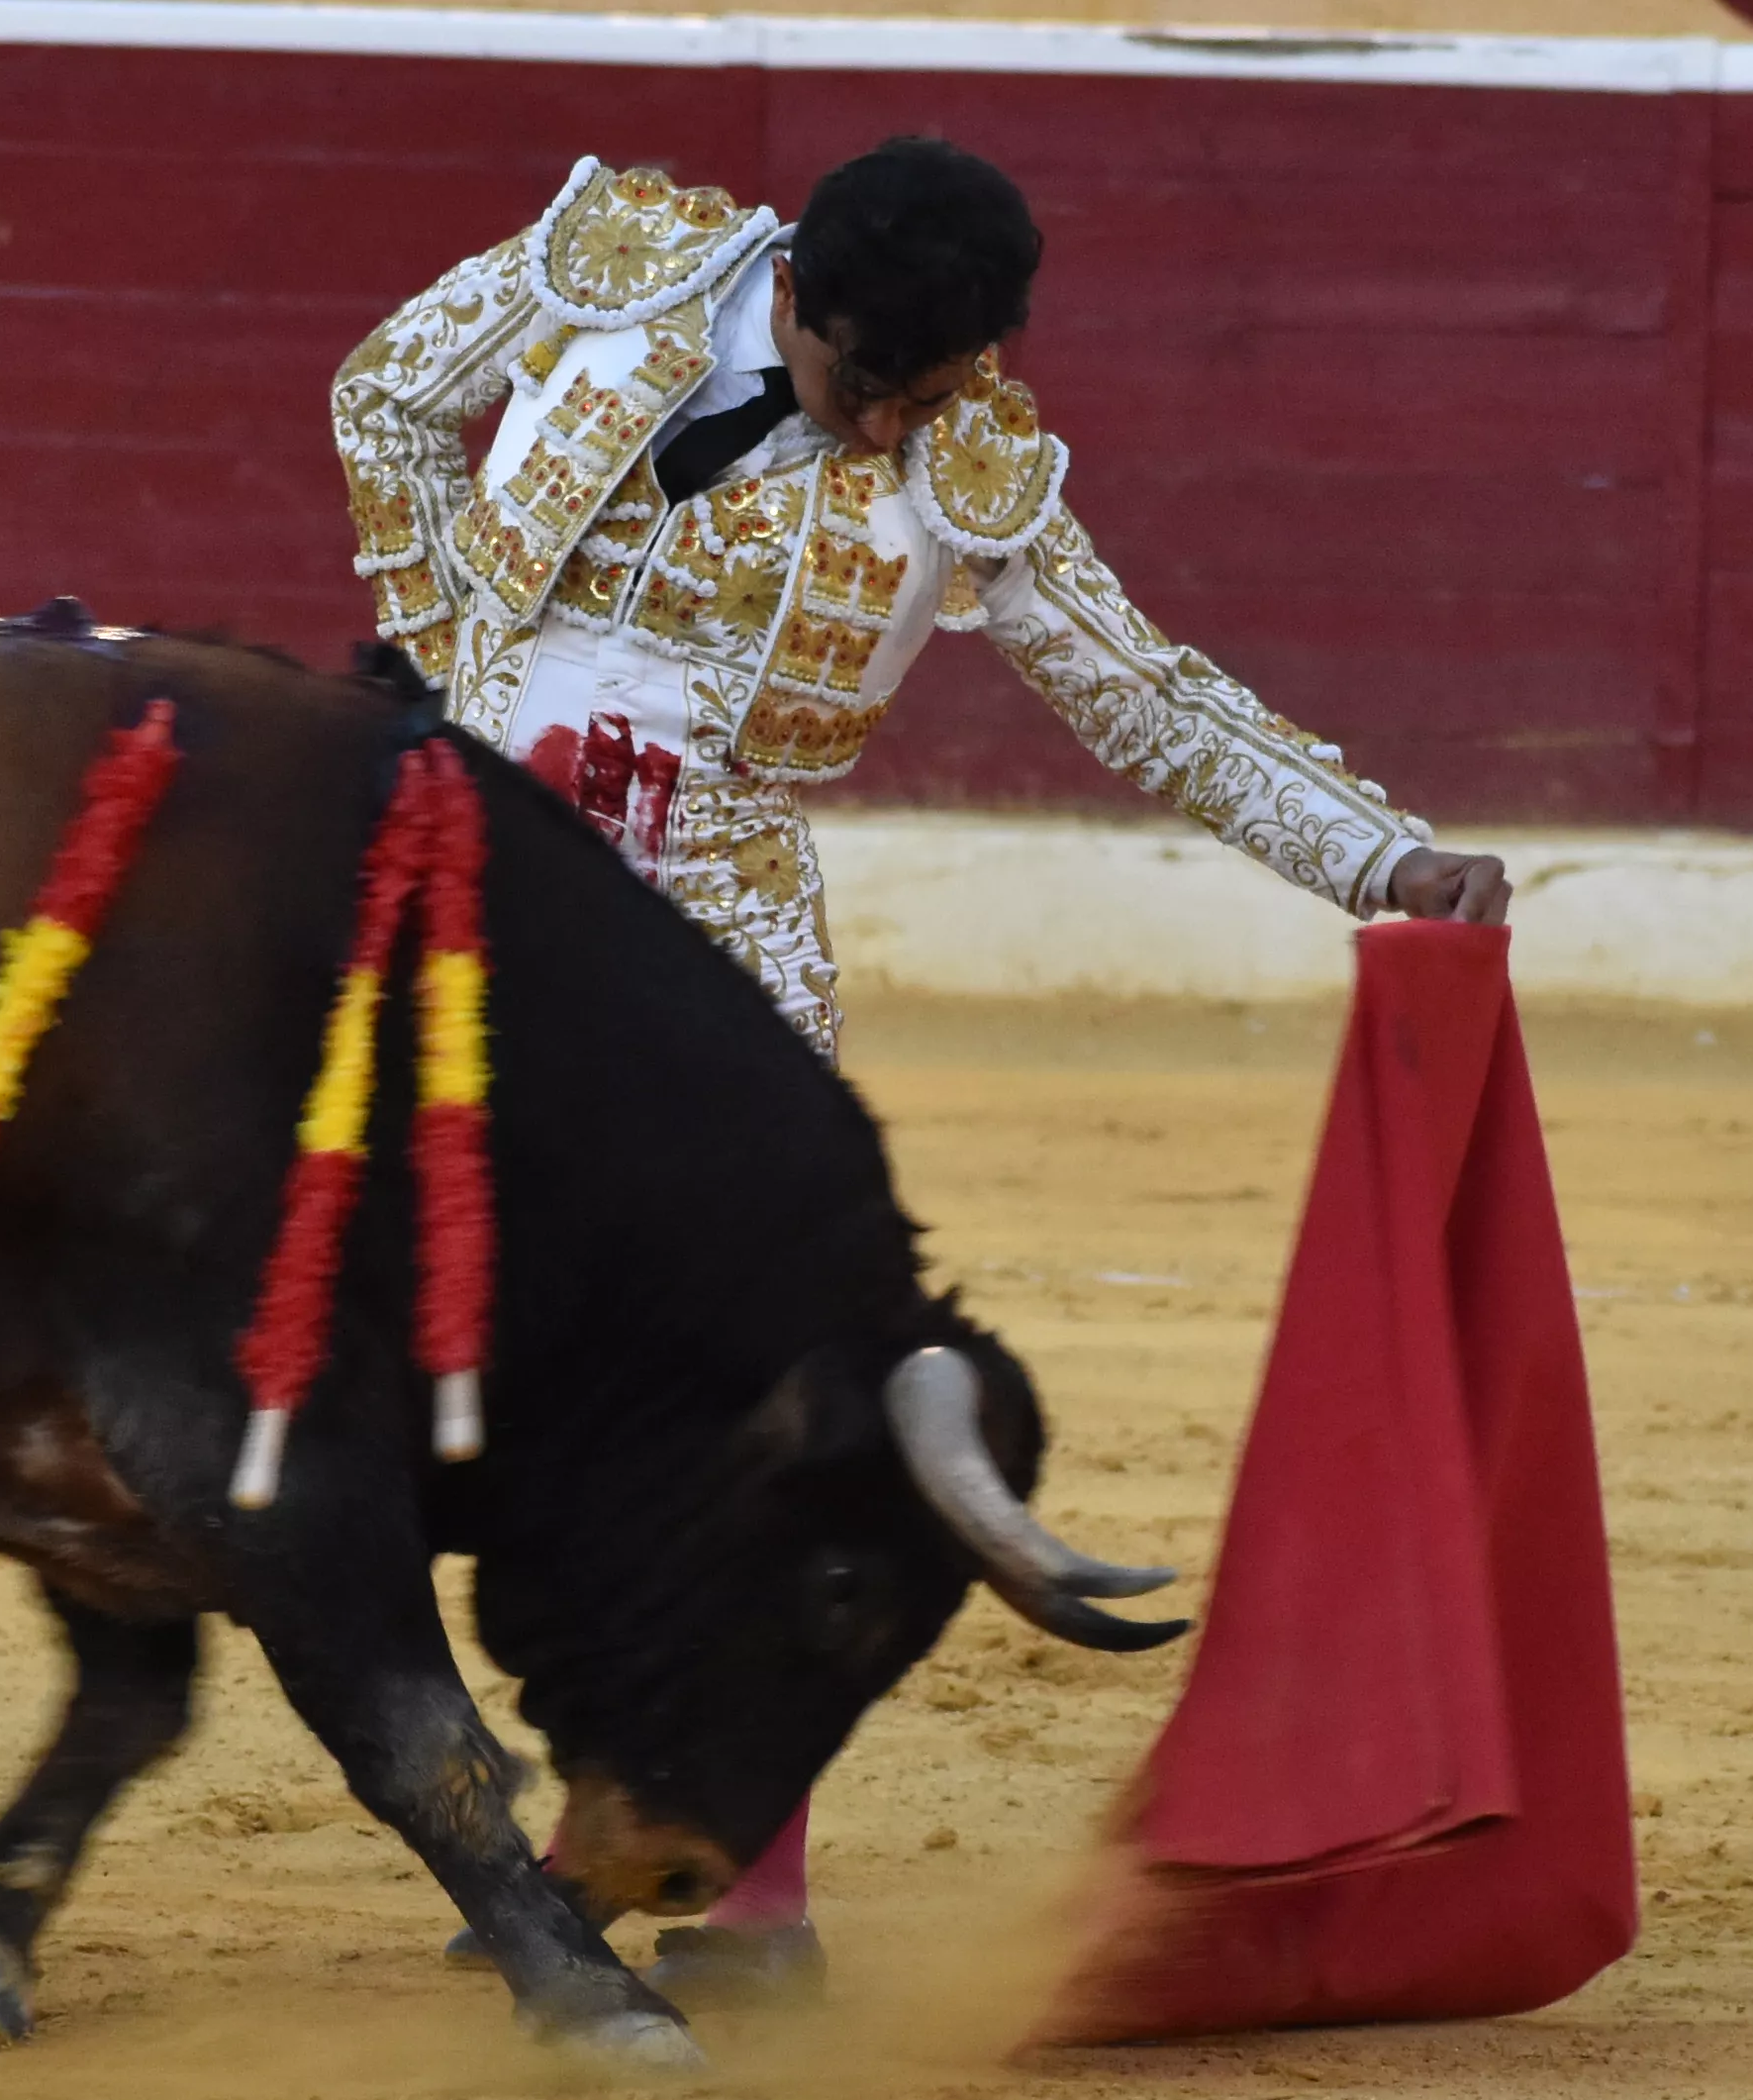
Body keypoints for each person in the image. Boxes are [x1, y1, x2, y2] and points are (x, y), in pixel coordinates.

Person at [334, 138, 1510, 2000]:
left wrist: (1382, 856)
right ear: (791, 293)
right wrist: (441, 657)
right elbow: (388, 398)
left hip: (715, 936)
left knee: (749, 1405)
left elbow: (1148, 690)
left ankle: (744, 1890)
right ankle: (566, 1813)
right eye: (860, 384)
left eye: (930, 394)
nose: (887, 427)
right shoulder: (616, 263)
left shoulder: (969, 463)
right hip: (468, 872)